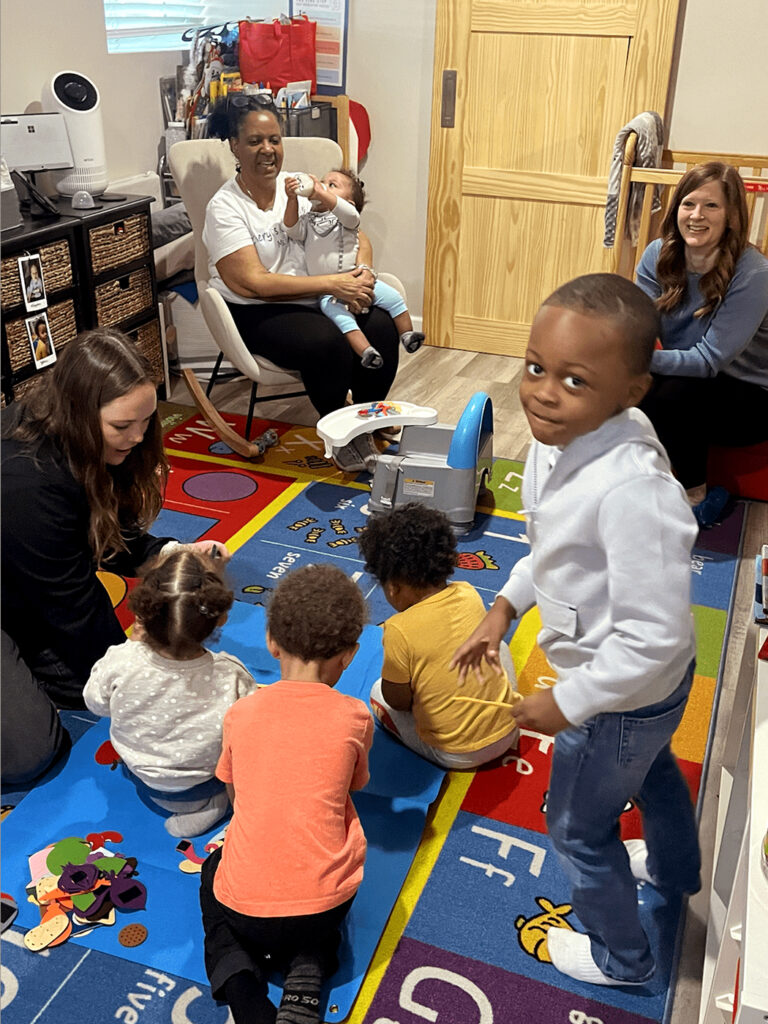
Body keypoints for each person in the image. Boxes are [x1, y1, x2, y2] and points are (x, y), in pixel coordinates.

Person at [451, 273, 701, 988]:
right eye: (536, 367)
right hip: (629, 692)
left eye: (574, 380)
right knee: (653, 774)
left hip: (618, 695)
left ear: (631, 393)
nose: (543, 392)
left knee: (578, 829)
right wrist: (505, 608)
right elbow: (551, 555)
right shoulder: (556, 443)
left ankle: (623, 959)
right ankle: (678, 871)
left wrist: (568, 702)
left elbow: (653, 635)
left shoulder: (633, 491)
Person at [1, 327, 223, 712]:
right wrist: (131, 664)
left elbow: (107, 532)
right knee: (38, 748)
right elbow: (73, 607)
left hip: (39, 578)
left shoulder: (76, 439)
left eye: (147, 420)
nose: (138, 437)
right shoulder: (28, 485)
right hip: (19, 595)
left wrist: (170, 553)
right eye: (122, 427)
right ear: (78, 413)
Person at [199, 564, 373, 1024]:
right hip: (321, 909)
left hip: (245, 912)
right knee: (328, 881)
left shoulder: (241, 713)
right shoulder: (356, 716)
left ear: (271, 642)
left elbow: (237, 799)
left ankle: (245, 998)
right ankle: (309, 964)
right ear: (350, 655)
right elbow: (354, 785)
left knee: (214, 879)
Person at [202, 96, 400, 469]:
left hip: (317, 297)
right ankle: (342, 436)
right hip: (256, 311)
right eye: (255, 141)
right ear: (234, 145)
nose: (268, 150)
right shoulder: (224, 207)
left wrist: (362, 274)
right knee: (325, 343)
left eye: (274, 140)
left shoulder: (302, 187)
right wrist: (332, 284)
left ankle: (365, 421)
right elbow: (253, 283)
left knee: (381, 327)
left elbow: (355, 228)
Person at [83, 546, 256, 838]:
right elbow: (252, 731)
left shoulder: (122, 660)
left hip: (142, 777)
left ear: (141, 613)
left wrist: (131, 646)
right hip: (198, 788)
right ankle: (210, 809)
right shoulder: (231, 673)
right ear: (223, 618)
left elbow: (95, 703)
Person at [635, 161, 768, 526]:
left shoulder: (754, 272)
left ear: (731, 215)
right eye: (689, 203)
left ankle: (698, 495)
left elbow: (709, 361)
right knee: (631, 387)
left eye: (711, 206)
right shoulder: (657, 254)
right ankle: (638, 481)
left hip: (751, 394)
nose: (697, 215)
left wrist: (638, 362)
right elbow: (639, 328)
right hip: (688, 375)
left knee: (672, 393)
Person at [357, 503, 520, 768]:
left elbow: (397, 701)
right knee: (500, 646)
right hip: (509, 729)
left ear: (394, 587)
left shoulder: (399, 628)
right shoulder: (469, 593)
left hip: (456, 754)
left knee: (377, 692)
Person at [283, 169, 424, 369]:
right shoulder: (308, 219)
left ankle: (408, 335)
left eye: (333, 185)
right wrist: (292, 200)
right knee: (341, 319)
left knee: (394, 298)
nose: (323, 185)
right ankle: (367, 352)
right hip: (328, 290)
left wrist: (321, 192)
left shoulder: (347, 220)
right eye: (323, 181)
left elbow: (349, 213)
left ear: (349, 203)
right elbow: (291, 229)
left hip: (357, 281)